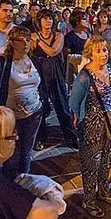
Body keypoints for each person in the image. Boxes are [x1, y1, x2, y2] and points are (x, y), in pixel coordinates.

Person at [69, 35, 111, 218]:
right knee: (92, 163)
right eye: (98, 51)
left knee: (107, 160)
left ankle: (104, 192)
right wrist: (77, 119)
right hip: (92, 124)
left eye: (105, 50)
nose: (103, 54)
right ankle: (89, 199)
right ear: (90, 53)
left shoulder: (109, 68)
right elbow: (73, 102)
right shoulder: (85, 75)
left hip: (109, 123)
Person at [0, 27, 43, 181]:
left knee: (26, 151)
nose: (25, 43)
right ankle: (9, 185)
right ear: (11, 42)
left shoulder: (34, 60)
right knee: (12, 154)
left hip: (34, 113)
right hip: (11, 116)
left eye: (27, 39)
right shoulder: (2, 63)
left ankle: (23, 182)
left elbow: (40, 85)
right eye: (20, 39)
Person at [30, 9, 77, 148]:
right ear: (39, 21)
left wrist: (38, 41)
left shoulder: (58, 35)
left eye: (50, 18)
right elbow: (31, 52)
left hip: (55, 70)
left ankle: (70, 136)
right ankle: (40, 137)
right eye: (45, 18)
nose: (48, 21)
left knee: (62, 104)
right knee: (41, 105)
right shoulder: (33, 36)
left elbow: (53, 51)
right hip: (39, 69)